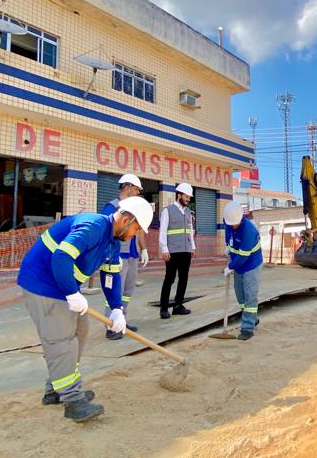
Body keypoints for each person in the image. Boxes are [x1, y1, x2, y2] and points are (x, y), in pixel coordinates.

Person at [17, 197, 154, 422]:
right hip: (43, 284)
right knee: (61, 340)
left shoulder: (112, 242)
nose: (134, 236)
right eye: (136, 229)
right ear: (127, 220)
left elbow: (111, 277)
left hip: (61, 286)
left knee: (80, 330)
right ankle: (72, 400)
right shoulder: (94, 226)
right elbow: (61, 257)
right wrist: (72, 293)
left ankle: (54, 389)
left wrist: (117, 309)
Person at [100, 174, 149, 340]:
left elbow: (139, 229)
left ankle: (122, 320)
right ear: (127, 187)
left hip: (132, 254)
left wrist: (144, 249)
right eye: (136, 189)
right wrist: (108, 255)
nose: (137, 193)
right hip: (116, 257)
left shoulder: (134, 207)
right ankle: (110, 326)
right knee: (114, 292)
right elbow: (104, 233)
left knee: (127, 291)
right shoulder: (112, 207)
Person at [222, 201, 263, 340]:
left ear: (241, 218)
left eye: (235, 223)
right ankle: (252, 318)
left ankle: (247, 328)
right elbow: (229, 236)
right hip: (237, 262)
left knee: (250, 295)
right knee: (240, 295)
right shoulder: (228, 221)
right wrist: (228, 246)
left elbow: (244, 256)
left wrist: (230, 267)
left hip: (251, 264)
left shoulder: (249, 230)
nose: (233, 226)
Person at [158, 182, 195, 319]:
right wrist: (164, 249)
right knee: (169, 279)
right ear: (179, 195)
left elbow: (190, 231)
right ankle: (163, 308)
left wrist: (193, 247)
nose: (188, 199)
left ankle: (178, 306)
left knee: (183, 279)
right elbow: (162, 231)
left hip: (186, 251)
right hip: (172, 252)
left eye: (189, 197)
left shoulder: (188, 212)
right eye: (186, 196)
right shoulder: (167, 211)